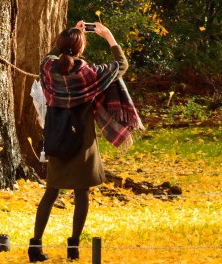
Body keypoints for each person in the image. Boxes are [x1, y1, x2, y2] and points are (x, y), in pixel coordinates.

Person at [29, 20, 143, 262]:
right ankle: (73, 249)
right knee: (81, 193)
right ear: (81, 50)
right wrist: (109, 36)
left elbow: (49, 57)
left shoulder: (49, 69)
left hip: (56, 137)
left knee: (51, 192)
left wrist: (71, 38)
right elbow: (121, 66)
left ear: (60, 46)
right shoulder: (89, 74)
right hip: (82, 140)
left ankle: (35, 245)